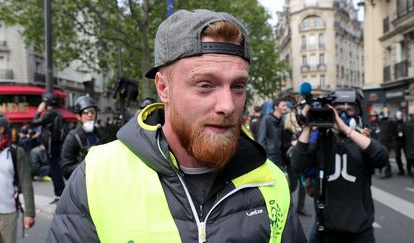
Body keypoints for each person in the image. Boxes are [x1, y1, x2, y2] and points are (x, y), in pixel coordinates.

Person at [47, 9, 306, 243]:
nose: (227, 105)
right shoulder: (96, 177)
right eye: (205, 85)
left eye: (238, 86)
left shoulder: (271, 180)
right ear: (163, 87)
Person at [291, 88, 388, 243]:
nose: (342, 115)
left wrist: (346, 129)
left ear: (357, 114)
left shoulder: (361, 141)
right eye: (338, 110)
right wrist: (308, 125)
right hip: (327, 230)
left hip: (360, 232)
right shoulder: (322, 140)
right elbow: (297, 165)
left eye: (349, 109)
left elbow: (382, 158)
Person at [0, 112, 35, 243]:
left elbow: (26, 183)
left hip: (8, 212)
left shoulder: (15, 152)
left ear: (0, 130)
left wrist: (29, 213)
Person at [61, 95, 111, 179]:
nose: (90, 115)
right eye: (86, 112)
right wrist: (87, 164)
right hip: (82, 183)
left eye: (92, 112)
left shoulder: (101, 134)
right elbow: (66, 170)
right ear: (78, 116)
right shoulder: (72, 137)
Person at [32, 93, 65, 204]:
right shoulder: (58, 113)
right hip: (56, 144)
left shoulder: (50, 113)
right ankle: (60, 193)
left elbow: (35, 122)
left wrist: (39, 111)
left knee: (54, 170)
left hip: (51, 146)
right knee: (56, 169)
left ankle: (59, 194)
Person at [282, 111, 311, 217]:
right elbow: (283, 146)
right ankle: (284, 206)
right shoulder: (286, 131)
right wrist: (292, 143)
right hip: (291, 162)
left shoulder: (299, 130)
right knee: (293, 186)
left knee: (303, 186)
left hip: (299, 160)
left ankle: (300, 208)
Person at [258, 99, 288, 167]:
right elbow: (261, 139)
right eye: (283, 105)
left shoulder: (282, 120)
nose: (285, 107)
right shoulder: (266, 119)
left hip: (280, 155)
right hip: (270, 156)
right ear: (276, 107)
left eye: (285, 105)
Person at [394, 110, 406, 175]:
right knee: (398, 156)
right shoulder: (394, 124)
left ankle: (409, 169)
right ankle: (401, 170)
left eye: (400, 115)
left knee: (407, 156)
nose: (399, 117)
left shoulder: (404, 124)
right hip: (397, 141)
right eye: (397, 116)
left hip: (404, 141)